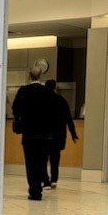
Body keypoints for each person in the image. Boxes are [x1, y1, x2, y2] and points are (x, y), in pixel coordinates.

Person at [11, 66, 56, 200]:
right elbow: (54, 111)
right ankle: (41, 185)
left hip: (29, 134)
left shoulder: (24, 91)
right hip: (45, 134)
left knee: (31, 163)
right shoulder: (47, 92)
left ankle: (34, 190)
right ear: (40, 76)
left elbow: (15, 109)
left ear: (29, 76)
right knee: (42, 162)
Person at [43, 79, 78, 189]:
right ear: (55, 87)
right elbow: (69, 119)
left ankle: (45, 181)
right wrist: (73, 134)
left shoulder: (42, 100)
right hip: (59, 134)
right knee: (55, 157)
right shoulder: (61, 100)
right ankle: (54, 179)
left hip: (44, 133)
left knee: (43, 158)